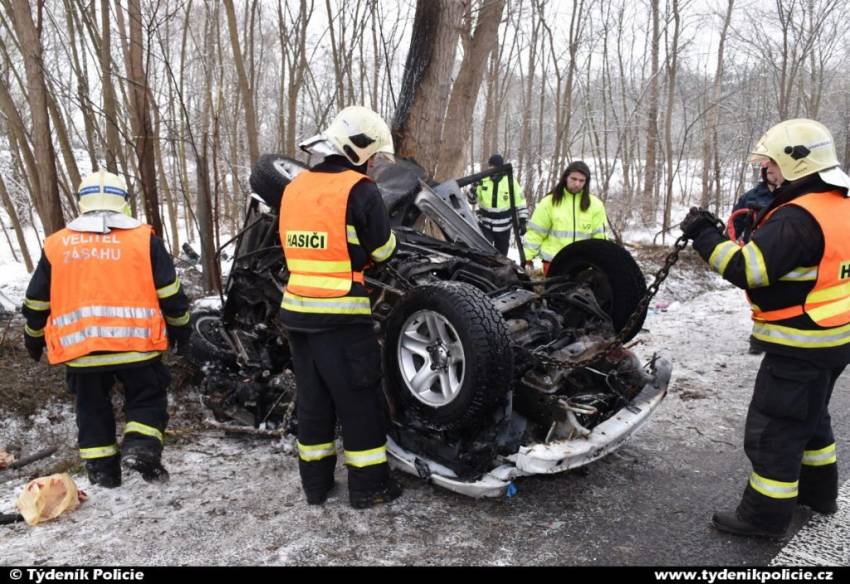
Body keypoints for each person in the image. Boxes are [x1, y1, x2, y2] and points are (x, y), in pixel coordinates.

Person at [679, 118, 850, 539]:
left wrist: (704, 235)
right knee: (810, 419)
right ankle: (819, 494)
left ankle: (763, 518)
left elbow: (747, 268)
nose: (767, 173)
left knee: (774, 430)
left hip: (799, 343)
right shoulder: (839, 204)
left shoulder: (797, 217)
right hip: (834, 339)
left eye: (771, 165)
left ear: (796, 164)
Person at [22, 170, 190, 488]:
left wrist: (32, 337)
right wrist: (182, 330)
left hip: (82, 351)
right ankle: (141, 449)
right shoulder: (144, 240)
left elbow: (36, 301)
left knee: (91, 409)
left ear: (82, 203)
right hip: (137, 348)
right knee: (147, 399)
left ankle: (103, 474)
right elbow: (170, 293)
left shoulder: (58, 245)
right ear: (123, 201)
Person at [279, 105, 402, 509]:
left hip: (298, 312)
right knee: (359, 403)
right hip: (342, 315)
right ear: (359, 150)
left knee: (313, 403)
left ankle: (316, 486)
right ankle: (370, 489)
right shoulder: (359, 189)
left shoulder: (295, 186)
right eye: (373, 156)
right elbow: (383, 250)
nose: (373, 165)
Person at [523, 160, 608, 275]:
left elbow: (599, 238)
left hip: (582, 265)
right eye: (574, 179)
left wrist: (601, 261)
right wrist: (527, 258)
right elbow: (536, 233)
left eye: (581, 180)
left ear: (586, 182)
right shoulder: (549, 202)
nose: (577, 184)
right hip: (553, 263)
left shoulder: (595, 205)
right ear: (565, 178)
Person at [473, 153, 528, 255]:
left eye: (495, 167)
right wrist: (472, 191)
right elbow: (472, 200)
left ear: (501, 168)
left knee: (501, 255)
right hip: (485, 225)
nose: (492, 170)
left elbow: (521, 203)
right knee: (483, 253)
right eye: (491, 167)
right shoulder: (483, 180)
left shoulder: (511, 182)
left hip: (504, 227)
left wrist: (523, 221)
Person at [731, 167, 776, 243]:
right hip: (752, 249)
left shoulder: (794, 196)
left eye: (775, 164)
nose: (770, 168)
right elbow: (733, 231)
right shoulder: (749, 197)